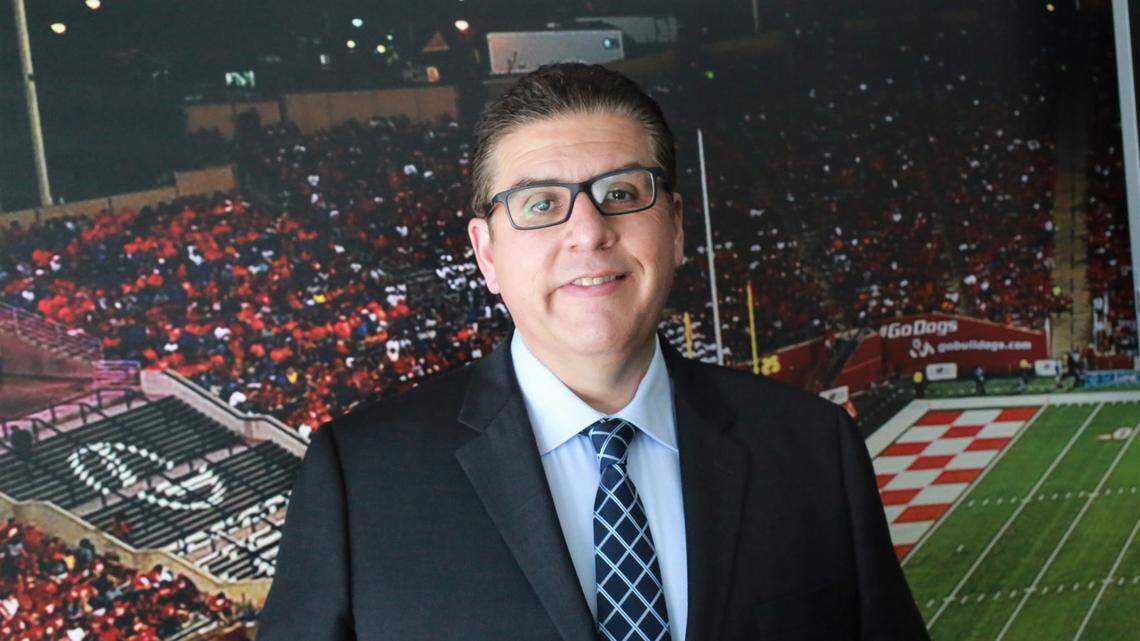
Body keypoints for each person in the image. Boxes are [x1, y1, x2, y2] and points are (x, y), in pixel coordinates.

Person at [256, 63, 930, 641]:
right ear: (487, 254)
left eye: (621, 193)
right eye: (539, 203)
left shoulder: (814, 448)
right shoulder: (361, 480)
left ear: (674, 228)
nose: (589, 231)